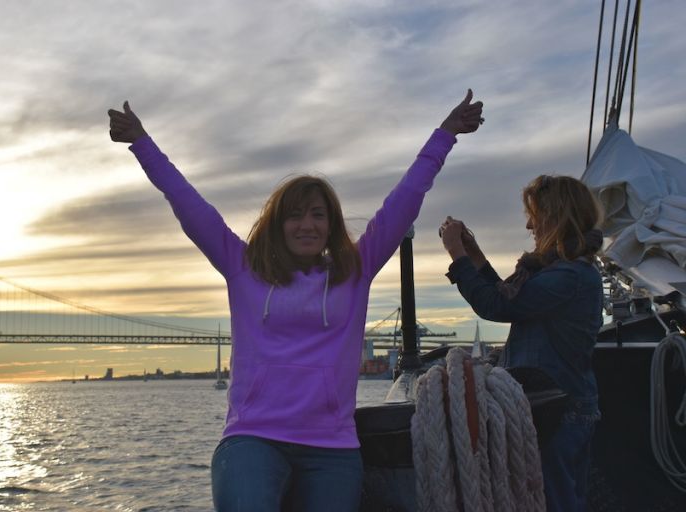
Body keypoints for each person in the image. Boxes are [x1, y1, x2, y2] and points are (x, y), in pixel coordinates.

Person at [108, 90, 483, 512]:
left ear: (331, 224)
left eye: (318, 214)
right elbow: (188, 203)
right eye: (295, 215)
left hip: (332, 447)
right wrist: (141, 142)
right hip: (253, 439)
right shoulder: (242, 267)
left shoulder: (355, 271)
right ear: (278, 223)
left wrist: (446, 134)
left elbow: (406, 197)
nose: (307, 225)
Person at [440, 174, 604, 512]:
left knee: (554, 502)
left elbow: (498, 305)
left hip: (559, 412)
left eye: (536, 215)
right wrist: (475, 256)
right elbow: (509, 296)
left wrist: (457, 255)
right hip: (557, 406)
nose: (530, 225)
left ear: (555, 218)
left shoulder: (568, 276)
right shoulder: (565, 271)